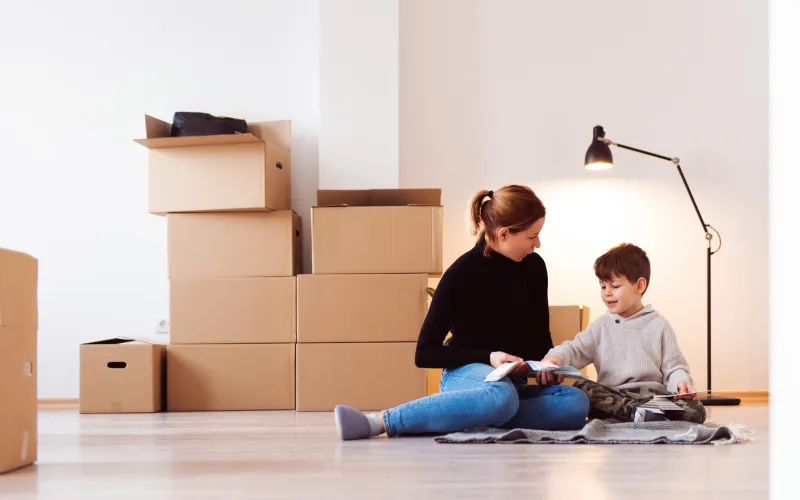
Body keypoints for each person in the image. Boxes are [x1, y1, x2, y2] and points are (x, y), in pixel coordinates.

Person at [333, 185, 590, 441]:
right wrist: (490, 357)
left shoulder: (534, 267)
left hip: (510, 386)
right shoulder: (461, 274)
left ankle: (470, 416)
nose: (538, 244)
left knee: (575, 402)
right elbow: (425, 353)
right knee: (500, 397)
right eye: (532, 236)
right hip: (466, 377)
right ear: (504, 234)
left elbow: (539, 335)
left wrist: (544, 366)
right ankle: (379, 421)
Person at [541, 243, 707, 424]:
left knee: (696, 410)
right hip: (614, 397)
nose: (607, 293)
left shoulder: (659, 325)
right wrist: (555, 357)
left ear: (640, 286)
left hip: (653, 399)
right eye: (603, 287)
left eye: (615, 285)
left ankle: (640, 414)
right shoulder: (600, 327)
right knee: (582, 388)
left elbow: (674, 368)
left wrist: (681, 382)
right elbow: (574, 350)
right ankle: (636, 414)